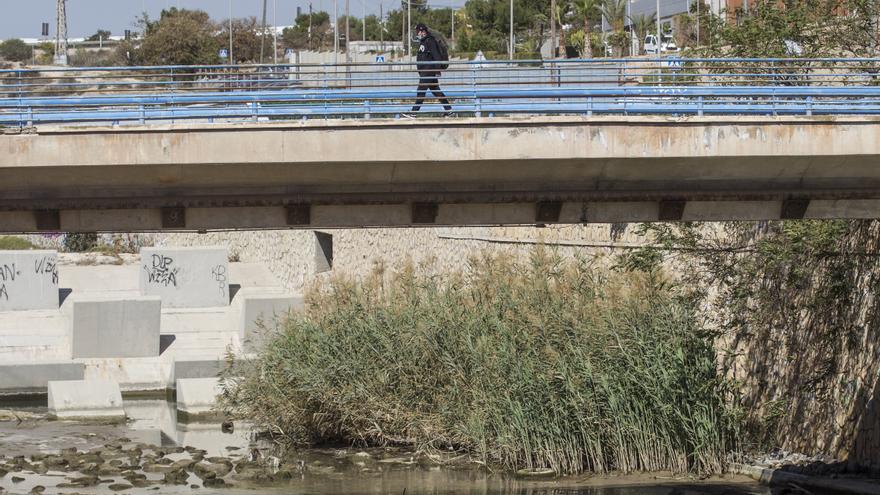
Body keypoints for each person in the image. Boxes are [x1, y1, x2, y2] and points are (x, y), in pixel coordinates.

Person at [407, 23, 452, 117]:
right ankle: (449, 110)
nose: (417, 33)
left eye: (418, 31)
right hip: (426, 72)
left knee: (421, 91)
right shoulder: (423, 41)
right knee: (436, 91)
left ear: (423, 31)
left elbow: (437, 56)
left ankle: (414, 113)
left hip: (428, 72)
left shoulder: (430, 41)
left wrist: (436, 71)